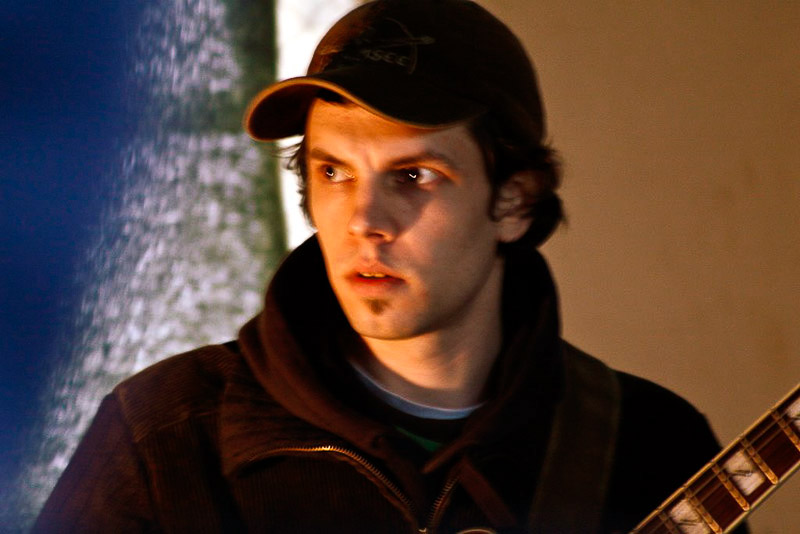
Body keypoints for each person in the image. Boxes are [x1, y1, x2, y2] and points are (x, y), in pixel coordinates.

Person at [34, 1, 747, 532]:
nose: (364, 220)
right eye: (334, 172)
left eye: (413, 176)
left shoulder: (650, 445)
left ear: (514, 201)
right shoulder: (164, 438)